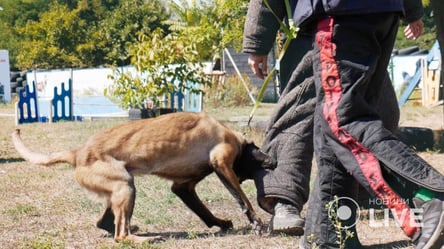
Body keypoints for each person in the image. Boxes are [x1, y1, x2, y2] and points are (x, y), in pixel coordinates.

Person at [243, 0, 444, 248]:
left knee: (343, 121)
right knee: (331, 128)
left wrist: (256, 41)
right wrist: (411, 9)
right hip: (382, 11)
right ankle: (330, 236)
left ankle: (429, 196)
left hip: (340, 15)